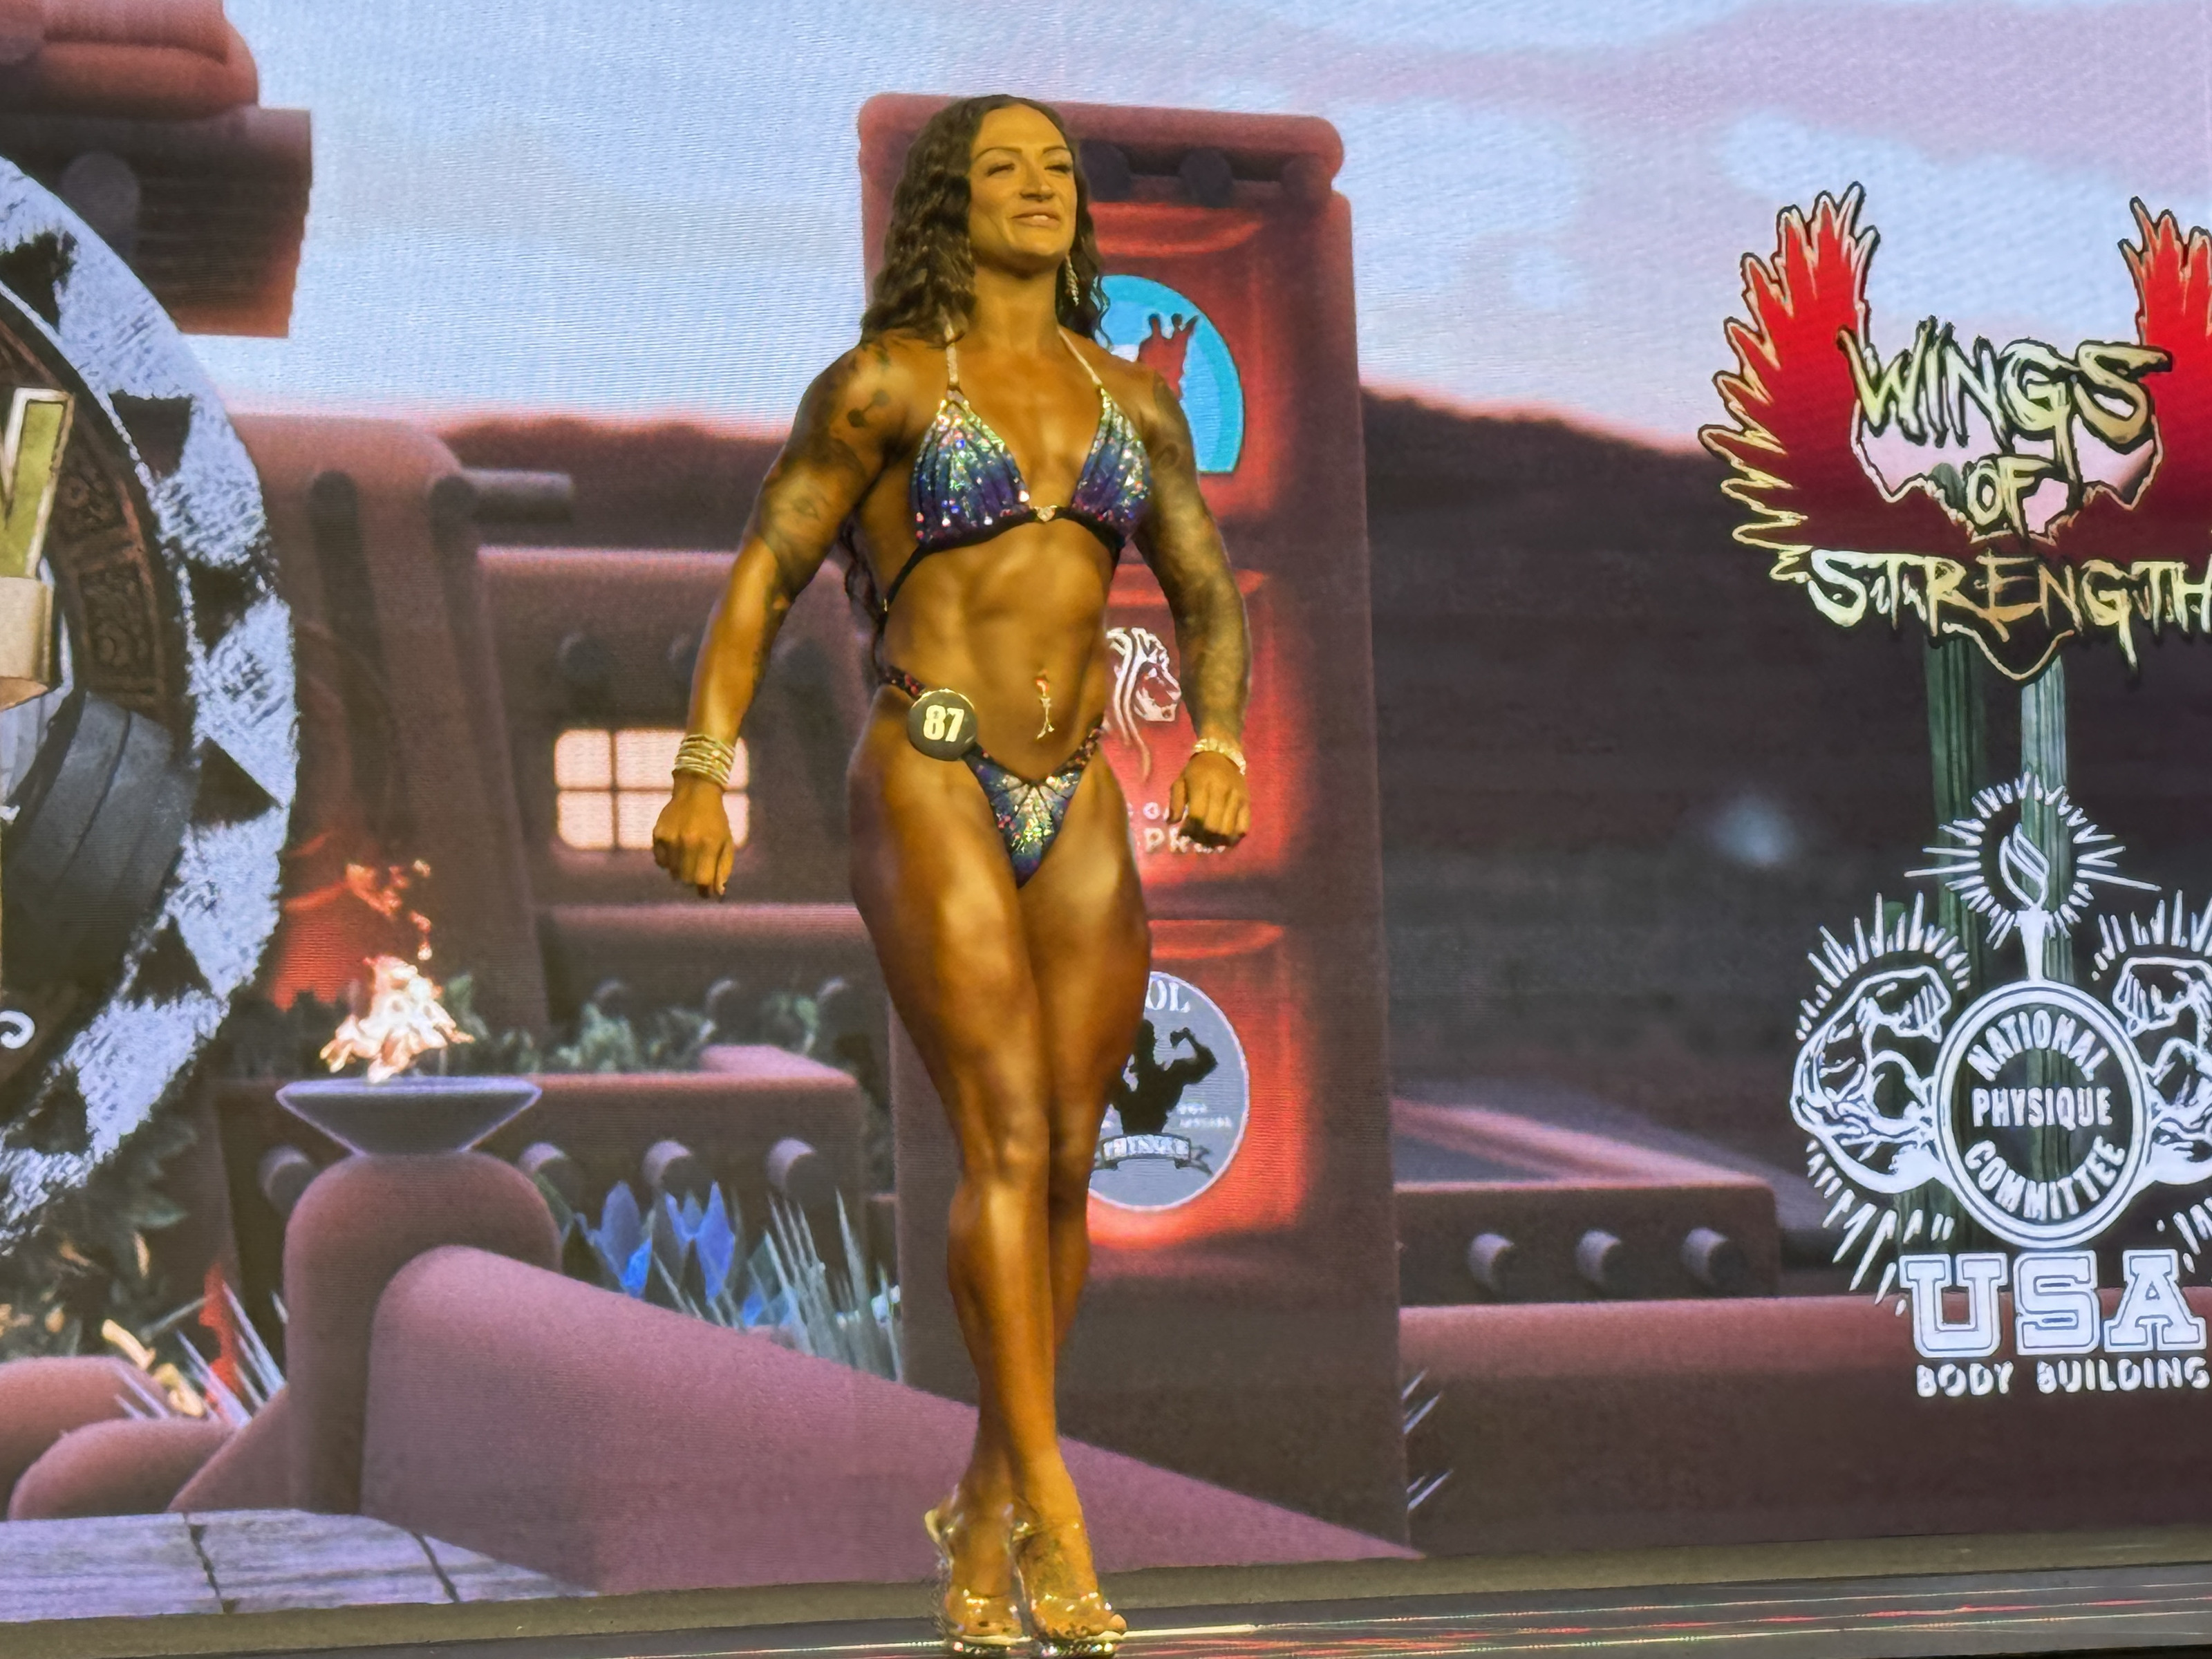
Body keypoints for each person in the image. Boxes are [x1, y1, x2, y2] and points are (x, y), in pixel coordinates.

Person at [653, 93, 1249, 1655]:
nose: (1039, 187)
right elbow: (765, 569)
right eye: (1004, 168)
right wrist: (704, 767)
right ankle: (1055, 1510)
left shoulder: (1134, 398)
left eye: (1057, 169)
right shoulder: (886, 385)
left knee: (1067, 1162)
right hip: (930, 772)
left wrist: (1220, 740)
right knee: (1003, 1136)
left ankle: (982, 1520)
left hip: (1080, 796)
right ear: (946, 204)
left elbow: (1202, 583)